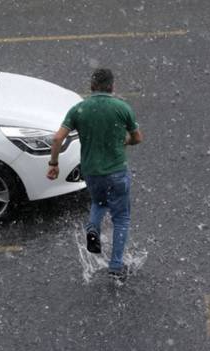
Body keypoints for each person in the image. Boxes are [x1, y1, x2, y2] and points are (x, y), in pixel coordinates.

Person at [46, 68, 143, 280]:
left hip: (91, 172)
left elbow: (57, 139)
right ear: (112, 86)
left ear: (91, 87)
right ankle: (116, 266)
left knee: (98, 204)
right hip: (116, 172)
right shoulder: (122, 108)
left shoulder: (79, 109)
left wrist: (53, 163)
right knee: (121, 218)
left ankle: (92, 228)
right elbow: (137, 138)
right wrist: (124, 141)